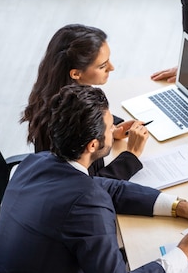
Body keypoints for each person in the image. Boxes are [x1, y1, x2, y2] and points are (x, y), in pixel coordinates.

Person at [0, 85, 188, 273]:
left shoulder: (35, 163)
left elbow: (110, 189)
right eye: (110, 126)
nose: (115, 130)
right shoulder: (86, 205)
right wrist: (184, 252)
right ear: (93, 145)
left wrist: (184, 207)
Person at [21, 24, 145, 180]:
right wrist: (131, 156)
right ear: (76, 74)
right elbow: (89, 187)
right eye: (102, 66)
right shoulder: (66, 120)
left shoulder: (59, 96)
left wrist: (112, 130)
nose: (112, 68)